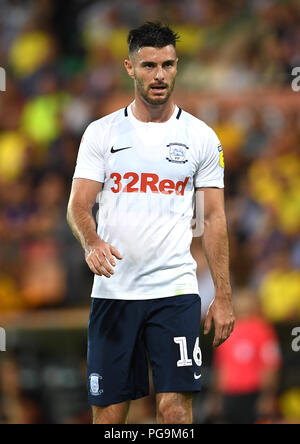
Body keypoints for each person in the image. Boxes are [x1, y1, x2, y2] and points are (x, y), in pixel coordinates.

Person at [66, 22, 235, 425]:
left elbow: (212, 218)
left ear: (177, 67)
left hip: (174, 292)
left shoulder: (202, 137)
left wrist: (224, 296)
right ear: (129, 67)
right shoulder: (101, 133)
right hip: (114, 292)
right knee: (108, 414)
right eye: (149, 65)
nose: (159, 75)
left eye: (168, 65)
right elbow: (78, 204)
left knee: (175, 410)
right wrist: (91, 242)